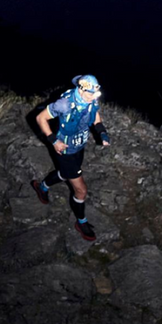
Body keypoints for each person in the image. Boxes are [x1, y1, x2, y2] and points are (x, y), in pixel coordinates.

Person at [31, 74, 110, 241]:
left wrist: (101, 132)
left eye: (96, 93)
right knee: (81, 190)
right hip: (65, 150)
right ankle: (81, 222)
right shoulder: (65, 103)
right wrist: (54, 141)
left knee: (66, 173)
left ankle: (42, 187)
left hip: (79, 146)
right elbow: (40, 118)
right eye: (90, 93)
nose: (94, 97)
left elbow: (95, 113)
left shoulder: (90, 99)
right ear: (81, 89)